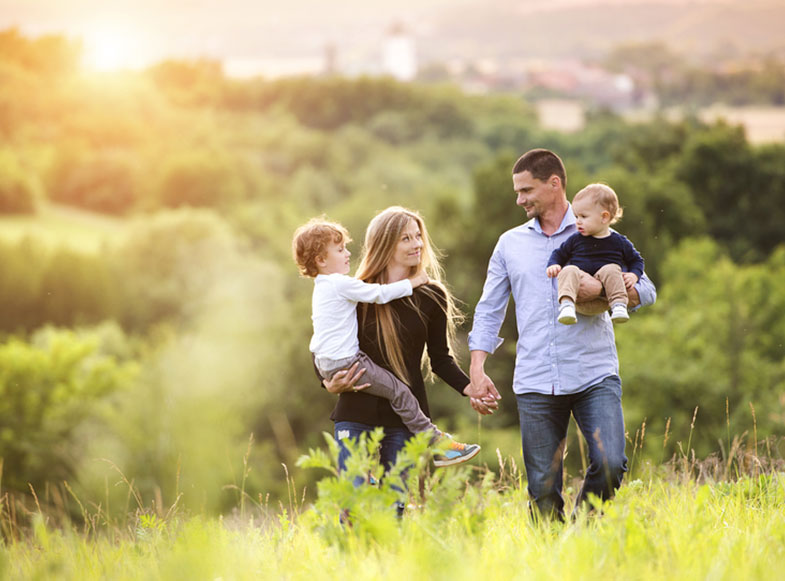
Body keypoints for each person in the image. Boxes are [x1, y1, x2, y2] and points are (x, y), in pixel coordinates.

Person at [467, 149, 657, 520]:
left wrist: (605, 291)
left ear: (554, 184)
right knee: (542, 487)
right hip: (536, 378)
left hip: (594, 372)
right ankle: (552, 564)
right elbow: (490, 307)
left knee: (610, 462)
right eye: (517, 192)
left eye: (526, 190)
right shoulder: (510, 244)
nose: (519, 199)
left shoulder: (602, 232)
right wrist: (477, 368)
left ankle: (580, 535)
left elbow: (647, 290)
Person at [293, 217, 480, 467]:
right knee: (355, 499)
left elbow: (440, 359)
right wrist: (327, 383)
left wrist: (470, 387)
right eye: (406, 238)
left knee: (395, 504)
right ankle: (437, 442)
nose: (417, 244)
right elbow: (324, 339)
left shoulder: (431, 295)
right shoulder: (357, 291)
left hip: (403, 421)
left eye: (418, 236)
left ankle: (437, 443)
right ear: (385, 245)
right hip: (356, 414)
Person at [546, 183, 645, 325]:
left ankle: (619, 306)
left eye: (583, 217)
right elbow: (559, 253)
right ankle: (566, 305)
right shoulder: (576, 239)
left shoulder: (619, 241)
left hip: (605, 302)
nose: (577, 222)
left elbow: (636, 260)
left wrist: (634, 275)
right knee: (569, 270)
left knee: (611, 268)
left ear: (604, 217)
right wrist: (554, 264)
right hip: (579, 298)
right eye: (576, 216)